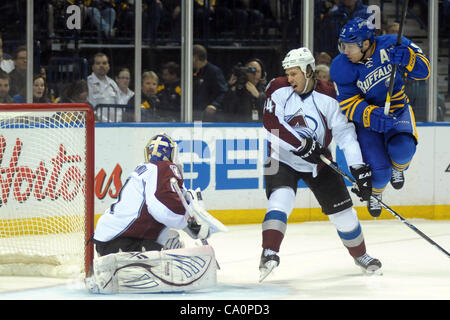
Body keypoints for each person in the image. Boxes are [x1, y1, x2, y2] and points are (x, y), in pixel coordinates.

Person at [259, 47, 380, 282]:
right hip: (280, 157)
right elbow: (271, 124)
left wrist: (358, 168)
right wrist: (302, 144)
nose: (289, 78)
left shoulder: (330, 95)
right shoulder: (277, 87)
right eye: (288, 73)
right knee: (281, 199)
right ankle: (269, 252)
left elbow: (345, 134)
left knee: (344, 214)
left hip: (319, 161)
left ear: (308, 70)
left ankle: (361, 255)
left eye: (295, 73)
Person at [86, 133, 218, 293]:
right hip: (123, 243)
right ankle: (134, 266)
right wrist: (189, 223)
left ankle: (114, 268)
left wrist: (192, 228)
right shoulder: (164, 168)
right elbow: (162, 208)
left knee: (170, 236)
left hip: (109, 240)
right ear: (169, 153)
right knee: (171, 241)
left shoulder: (147, 170)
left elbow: (170, 205)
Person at [329, 18, 430, 217]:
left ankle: (398, 168)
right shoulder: (340, 66)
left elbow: (424, 71)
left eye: (350, 46)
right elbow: (347, 102)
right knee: (380, 174)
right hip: (367, 121)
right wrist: (368, 114)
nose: (345, 51)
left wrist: (409, 59)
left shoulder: (394, 43)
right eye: (343, 45)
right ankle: (377, 193)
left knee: (402, 150)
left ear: (366, 44)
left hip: (397, 107)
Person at [192, 44, 228, 121]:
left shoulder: (214, 71)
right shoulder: (193, 72)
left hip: (208, 117)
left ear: (195, 57)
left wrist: (214, 105)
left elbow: (223, 92)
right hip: (194, 114)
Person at [87, 52, 121, 121]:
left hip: (115, 125)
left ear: (108, 66)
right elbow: (89, 106)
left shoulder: (113, 83)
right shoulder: (88, 83)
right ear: (93, 67)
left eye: (104, 63)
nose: (101, 66)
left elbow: (119, 105)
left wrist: (117, 121)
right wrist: (104, 121)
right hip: (96, 124)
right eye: (98, 63)